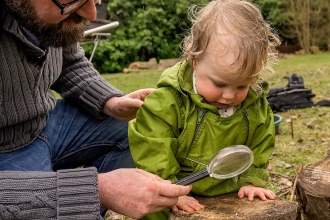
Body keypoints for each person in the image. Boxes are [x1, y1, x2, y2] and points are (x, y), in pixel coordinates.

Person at [0, 0, 192, 219]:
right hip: (6, 150)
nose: (91, 14)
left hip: (42, 124)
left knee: (130, 129)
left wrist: (110, 102)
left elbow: (68, 60)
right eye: (73, 0)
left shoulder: (51, 17)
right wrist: (97, 190)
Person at [128, 0, 281, 219]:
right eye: (219, 84)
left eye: (241, 86)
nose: (229, 95)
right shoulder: (170, 100)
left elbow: (260, 143)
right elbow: (152, 145)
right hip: (174, 186)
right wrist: (170, 189)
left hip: (228, 189)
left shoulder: (254, 105)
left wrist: (251, 181)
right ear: (195, 61)